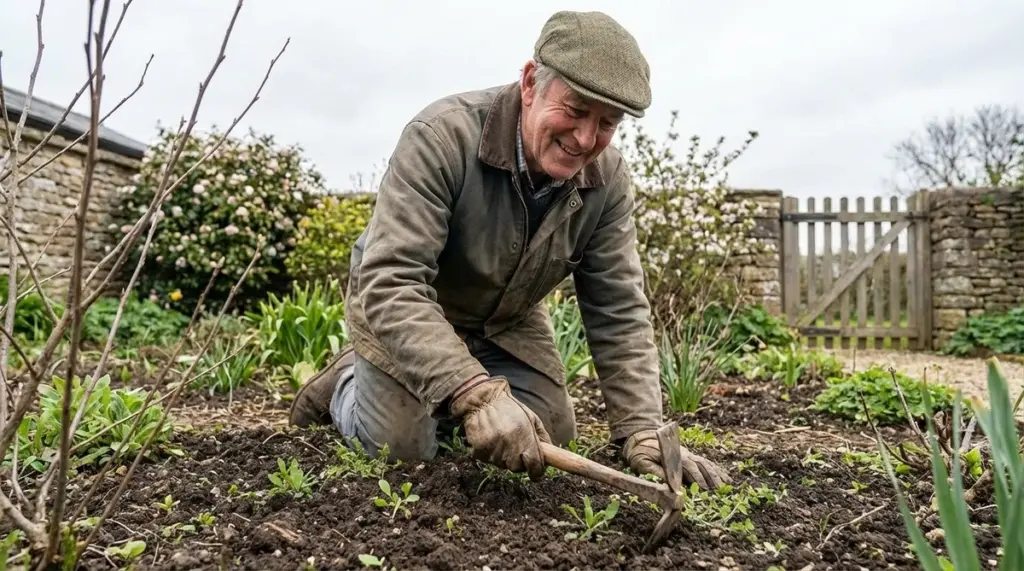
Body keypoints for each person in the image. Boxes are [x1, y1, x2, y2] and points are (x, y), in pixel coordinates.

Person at [289, 10, 731, 490]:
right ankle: (349, 386)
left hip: (505, 324)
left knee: (549, 438)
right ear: (529, 83)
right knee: (403, 453)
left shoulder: (608, 181)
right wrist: (475, 395)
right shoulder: (441, 138)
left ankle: (442, 395)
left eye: (607, 123)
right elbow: (391, 280)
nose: (585, 139)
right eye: (576, 109)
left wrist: (642, 428)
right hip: (409, 313)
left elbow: (618, 308)